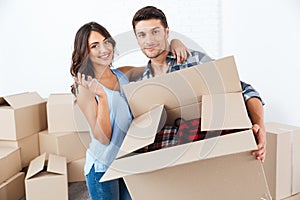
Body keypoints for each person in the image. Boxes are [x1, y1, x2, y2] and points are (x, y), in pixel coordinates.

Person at [70, 22, 189, 200]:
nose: (104, 49)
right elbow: (102, 138)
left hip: (126, 162)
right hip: (102, 169)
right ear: (86, 53)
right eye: (95, 46)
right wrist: (102, 97)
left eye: (106, 42)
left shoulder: (123, 74)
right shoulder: (85, 88)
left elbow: (159, 67)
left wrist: (174, 43)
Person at [131, 6, 266, 162]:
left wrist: (259, 125)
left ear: (167, 32)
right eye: (142, 34)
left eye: (155, 32)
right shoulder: (143, 85)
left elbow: (245, 90)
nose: (149, 40)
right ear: (137, 39)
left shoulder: (194, 60)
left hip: (214, 154)